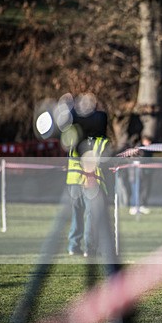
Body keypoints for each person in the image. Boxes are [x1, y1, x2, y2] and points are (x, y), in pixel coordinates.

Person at [66, 109, 111, 257]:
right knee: (91, 216)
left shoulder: (74, 136)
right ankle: (89, 248)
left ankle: (73, 246)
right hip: (90, 182)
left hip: (73, 180)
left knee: (77, 215)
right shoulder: (102, 142)